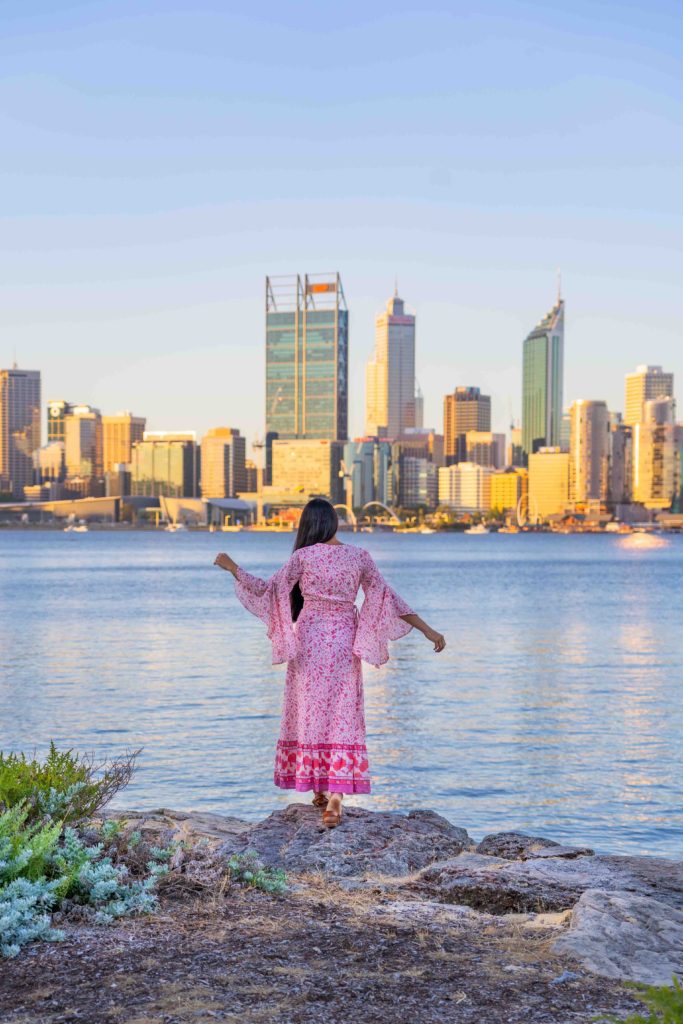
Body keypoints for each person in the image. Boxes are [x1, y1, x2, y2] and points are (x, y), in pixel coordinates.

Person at [214, 498, 445, 828]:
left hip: (309, 642)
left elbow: (268, 590)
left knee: (311, 712)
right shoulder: (359, 556)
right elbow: (387, 597)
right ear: (333, 522)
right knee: (342, 713)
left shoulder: (303, 556)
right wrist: (427, 629)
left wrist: (233, 567)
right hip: (342, 644)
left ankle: (320, 788)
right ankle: (334, 796)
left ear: (308, 525)